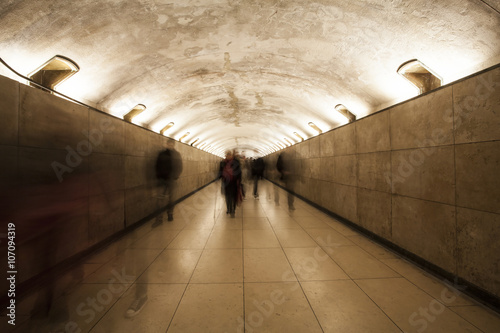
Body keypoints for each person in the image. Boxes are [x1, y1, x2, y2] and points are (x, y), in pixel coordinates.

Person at [154, 140, 183, 225]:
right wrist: (158, 176)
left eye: (171, 144)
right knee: (160, 199)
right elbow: (157, 165)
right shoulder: (161, 154)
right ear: (166, 144)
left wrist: (176, 176)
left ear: (173, 145)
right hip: (162, 180)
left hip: (171, 180)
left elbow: (180, 166)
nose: (169, 145)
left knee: (171, 198)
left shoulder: (177, 154)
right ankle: (159, 218)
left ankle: (170, 214)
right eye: (168, 144)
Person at [219, 150, 242, 218]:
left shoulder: (236, 162)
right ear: (226, 155)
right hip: (226, 182)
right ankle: (229, 208)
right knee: (227, 196)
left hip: (234, 182)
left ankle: (233, 209)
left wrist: (239, 180)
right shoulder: (223, 162)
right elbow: (220, 171)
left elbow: (239, 172)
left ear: (231, 155)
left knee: (233, 196)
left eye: (229, 154)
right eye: (227, 154)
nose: (228, 156)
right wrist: (219, 177)